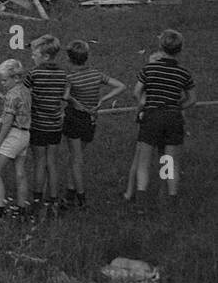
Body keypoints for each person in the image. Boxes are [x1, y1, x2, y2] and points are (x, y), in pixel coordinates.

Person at [128, 29, 195, 205]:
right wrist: (177, 106)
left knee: (144, 161)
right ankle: (170, 199)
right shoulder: (183, 73)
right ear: (180, 49)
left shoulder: (149, 68)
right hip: (173, 118)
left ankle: (140, 201)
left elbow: (136, 92)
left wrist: (144, 104)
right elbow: (192, 99)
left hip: (152, 116)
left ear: (161, 46)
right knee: (169, 161)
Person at [61, 40, 124, 209]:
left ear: (69, 59)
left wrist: (75, 102)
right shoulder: (96, 74)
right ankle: (69, 193)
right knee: (75, 156)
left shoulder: (70, 78)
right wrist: (103, 100)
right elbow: (120, 86)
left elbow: (65, 96)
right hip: (90, 120)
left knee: (76, 160)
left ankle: (81, 198)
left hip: (74, 119)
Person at [25, 35, 67, 217]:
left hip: (38, 124)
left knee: (39, 163)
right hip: (55, 125)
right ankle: (54, 200)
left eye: (35, 54)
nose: (32, 57)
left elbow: (24, 94)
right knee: (52, 162)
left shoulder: (34, 74)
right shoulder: (62, 74)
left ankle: (37, 200)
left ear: (46, 56)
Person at [0, 59, 32, 220]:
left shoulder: (12, 95)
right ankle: (22, 208)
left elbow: (7, 122)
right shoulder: (25, 91)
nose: (3, 83)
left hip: (13, 134)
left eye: (5, 80)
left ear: (16, 78)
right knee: (20, 172)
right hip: (25, 134)